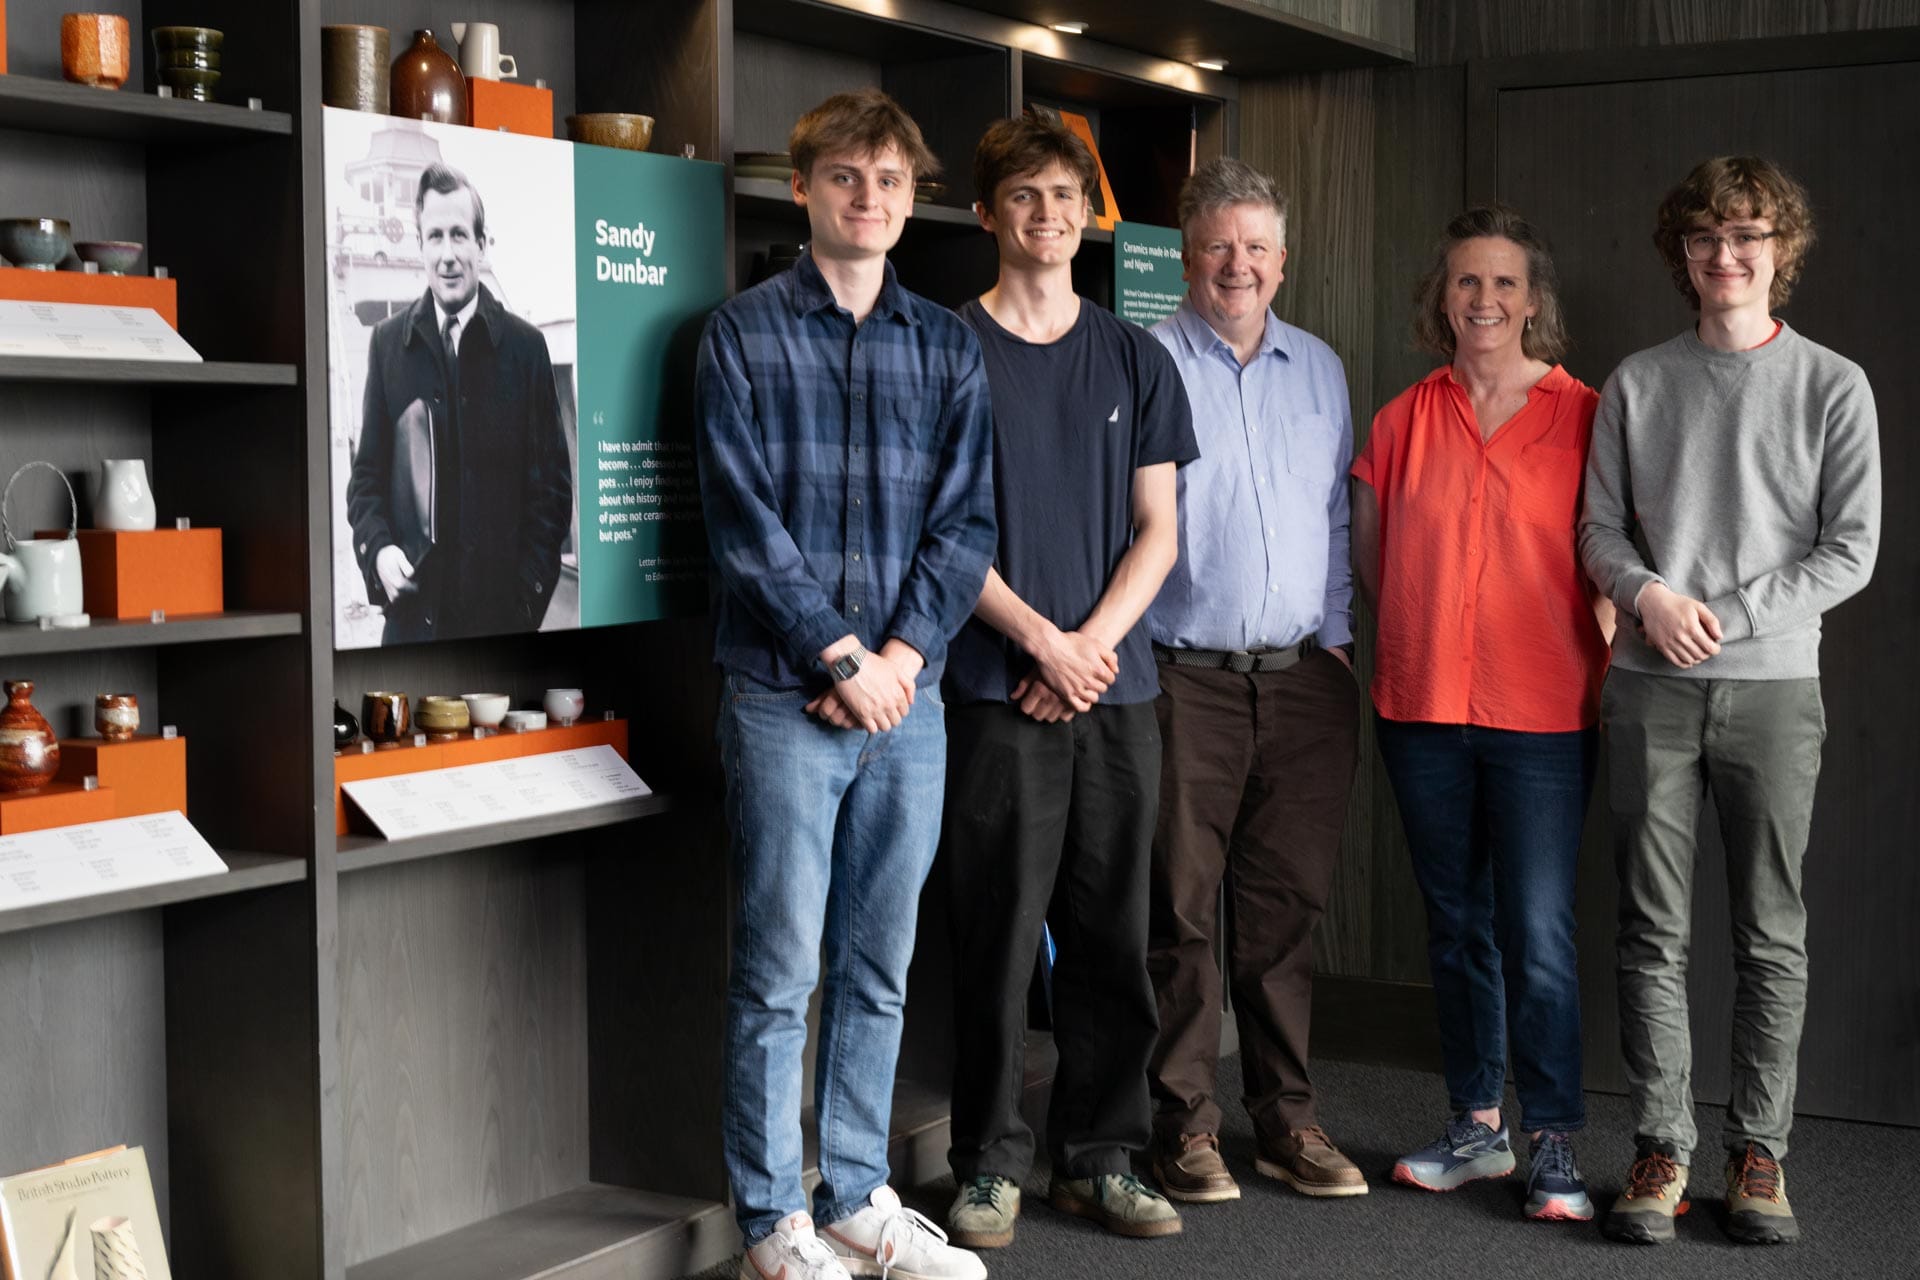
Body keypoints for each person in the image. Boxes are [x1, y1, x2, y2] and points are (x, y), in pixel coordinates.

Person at [693, 90, 998, 1280]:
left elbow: (965, 525)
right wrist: (841, 658)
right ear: (804, 189)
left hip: (907, 705)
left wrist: (903, 662)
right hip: (783, 696)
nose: (867, 199)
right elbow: (742, 525)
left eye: (888, 182)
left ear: (910, 201)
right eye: (844, 178)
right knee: (780, 971)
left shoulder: (944, 343)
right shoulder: (742, 334)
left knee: (880, 965)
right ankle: (774, 1218)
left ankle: (858, 1193)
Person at [1583, 156, 1880, 1248]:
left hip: (1771, 690)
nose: (1726, 254)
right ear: (1683, 254)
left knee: (1770, 933)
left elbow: (1852, 548)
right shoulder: (1638, 382)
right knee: (1650, 930)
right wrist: (1650, 595)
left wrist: (1730, 613)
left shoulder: (1832, 384)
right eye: (1707, 236)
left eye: (1748, 234)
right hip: (1650, 689)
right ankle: (1661, 1146)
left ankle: (1760, 1153)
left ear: (1779, 249)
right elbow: (1599, 531)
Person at [941, 115, 1197, 1249]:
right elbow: (937, 533)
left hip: (1117, 690)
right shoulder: (947, 348)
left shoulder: (1137, 356)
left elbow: (1159, 530)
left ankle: (1099, 1154)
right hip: (998, 689)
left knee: (1111, 931)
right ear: (987, 211)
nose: (1046, 216)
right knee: (996, 936)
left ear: (1091, 215)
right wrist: (1040, 642)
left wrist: (1086, 645)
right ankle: (990, 1161)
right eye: (1024, 196)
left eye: (1064, 196)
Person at [1351, 205, 1611, 1222]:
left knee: (1538, 927)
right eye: (1467, 282)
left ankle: (1551, 1136)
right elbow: (1373, 557)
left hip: (1545, 708)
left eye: (1505, 283)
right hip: (1422, 704)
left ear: (1533, 300)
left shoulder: (1586, 413)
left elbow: (1612, 553)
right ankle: (1477, 1125)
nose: (1486, 300)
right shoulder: (1401, 418)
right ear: (1441, 299)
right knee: (1457, 924)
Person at [1141, 157, 1366, 1204]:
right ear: (1187, 255)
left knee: (1283, 912)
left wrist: (1337, 637)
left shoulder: (1319, 367)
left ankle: (1289, 1120)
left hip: (1305, 678)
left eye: (1259, 248)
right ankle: (1184, 1124)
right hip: (1182, 675)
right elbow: (1120, 524)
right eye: (1220, 246)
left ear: (1284, 260)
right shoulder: (1142, 360)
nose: (1239, 265)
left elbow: (1331, 517)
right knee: (1180, 910)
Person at [346, 161, 573, 643]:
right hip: (411, 627)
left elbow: (551, 494)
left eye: (459, 235)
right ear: (420, 245)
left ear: (481, 244)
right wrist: (380, 553)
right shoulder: (387, 345)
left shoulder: (525, 348)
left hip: (501, 629)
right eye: (435, 237)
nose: (447, 255)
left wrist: (524, 602)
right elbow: (365, 479)